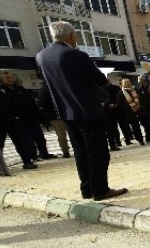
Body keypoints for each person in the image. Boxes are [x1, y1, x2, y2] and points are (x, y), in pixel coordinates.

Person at [36, 21, 126, 200]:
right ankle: (100, 190)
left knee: (80, 152)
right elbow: (100, 79)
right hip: (87, 111)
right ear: (72, 36)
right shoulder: (75, 54)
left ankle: (87, 189)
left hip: (65, 113)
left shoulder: (41, 56)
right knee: (97, 152)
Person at [0, 72, 38, 170]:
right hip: (0, 121)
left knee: (21, 141)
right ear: (1, 80)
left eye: (11, 77)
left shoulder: (18, 89)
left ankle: (27, 161)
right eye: (7, 78)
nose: (10, 79)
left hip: (15, 119)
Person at [37, 79, 71, 158]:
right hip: (56, 115)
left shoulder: (56, 88)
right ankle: (65, 151)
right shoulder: (45, 90)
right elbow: (42, 103)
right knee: (62, 134)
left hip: (62, 114)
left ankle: (67, 150)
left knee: (64, 134)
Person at [115, 78, 150, 145]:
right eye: (125, 82)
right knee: (136, 127)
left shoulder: (136, 90)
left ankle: (149, 138)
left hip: (140, 110)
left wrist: (141, 105)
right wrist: (127, 108)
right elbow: (119, 103)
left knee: (147, 125)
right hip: (130, 113)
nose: (127, 83)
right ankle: (140, 140)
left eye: (128, 82)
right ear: (122, 84)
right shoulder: (120, 93)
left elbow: (142, 98)